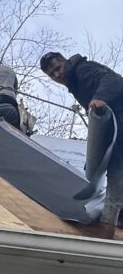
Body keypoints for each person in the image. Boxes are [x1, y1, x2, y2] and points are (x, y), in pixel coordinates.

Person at [40, 51, 123, 234]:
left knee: (117, 176)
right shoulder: (75, 82)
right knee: (116, 175)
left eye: (57, 68)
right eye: (51, 74)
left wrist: (100, 96)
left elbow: (114, 80)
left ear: (65, 62)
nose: (57, 75)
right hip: (117, 134)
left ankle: (107, 228)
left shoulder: (83, 70)